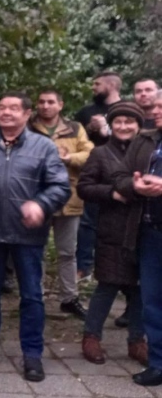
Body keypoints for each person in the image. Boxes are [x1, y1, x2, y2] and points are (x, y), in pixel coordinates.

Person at [0, 92, 70, 383]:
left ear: (27, 114)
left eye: (13, 108)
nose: (6, 112)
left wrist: (41, 204)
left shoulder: (43, 147)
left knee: (31, 296)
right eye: (1, 107)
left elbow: (60, 186)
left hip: (27, 234)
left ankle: (32, 354)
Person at [76, 102, 147, 366]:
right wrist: (112, 193)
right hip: (111, 229)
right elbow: (84, 187)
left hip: (142, 229)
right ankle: (91, 337)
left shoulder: (149, 152)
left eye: (129, 122)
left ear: (139, 126)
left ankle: (137, 341)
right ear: (111, 124)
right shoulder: (101, 153)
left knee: (141, 287)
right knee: (107, 285)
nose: (123, 126)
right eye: (118, 122)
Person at [111, 90, 162, 386]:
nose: (154, 111)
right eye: (153, 107)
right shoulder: (144, 141)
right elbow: (118, 177)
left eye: (159, 107)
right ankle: (157, 363)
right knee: (153, 302)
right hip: (150, 233)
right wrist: (136, 186)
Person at [29, 90, 94, 319]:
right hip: (37, 198)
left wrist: (69, 159)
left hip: (69, 197)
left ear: (60, 105)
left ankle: (69, 298)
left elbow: (90, 154)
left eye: (50, 102)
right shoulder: (28, 128)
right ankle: (33, 297)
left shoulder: (75, 128)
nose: (45, 106)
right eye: (41, 101)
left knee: (68, 252)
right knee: (34, 250)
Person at [75, 72, 122, 284]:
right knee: (88, 221)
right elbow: (76, 137)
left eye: (97, 83)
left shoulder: (126, 109)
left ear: (111, 85)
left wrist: (106, 130)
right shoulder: (86, 112)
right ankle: (84, 267)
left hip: (123, 172)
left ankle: (116, 267)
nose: (93, 87)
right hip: (93, 174)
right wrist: (90, 128)